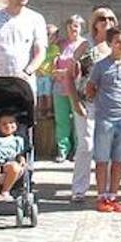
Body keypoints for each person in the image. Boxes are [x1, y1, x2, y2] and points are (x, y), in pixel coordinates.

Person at [87, 27, 121, 213]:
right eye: (117, 41)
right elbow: (91, 87)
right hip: (105, 117)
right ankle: (101, 196)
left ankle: (113, 196)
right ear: (110, 43)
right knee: (102, 159)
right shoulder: (101, 66)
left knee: (119, 159)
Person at [69, 7, 116, 203]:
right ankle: (79, 188)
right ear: (95, 22)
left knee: (106, 147)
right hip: (85, 101)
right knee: (86, 145)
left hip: (109, 104)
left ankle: (105, 189)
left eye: (110, 19)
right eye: (102, 18)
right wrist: (74, 101)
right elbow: (69, 75)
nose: (107, 22)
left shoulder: (116, 45)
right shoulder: (86, 45)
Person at [51, 16, 86, 163]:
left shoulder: (84, 44)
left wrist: (66, 72)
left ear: (81, 28)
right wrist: (54, 71)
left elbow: (85, 66)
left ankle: (79, 149)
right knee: (62, 120)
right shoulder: (61, 44)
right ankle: (63, 150)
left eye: (76, 25)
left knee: (78, 121)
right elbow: (51, 60)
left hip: (77, 88)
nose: (73, 28)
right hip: (59, 87)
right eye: (71, 25)